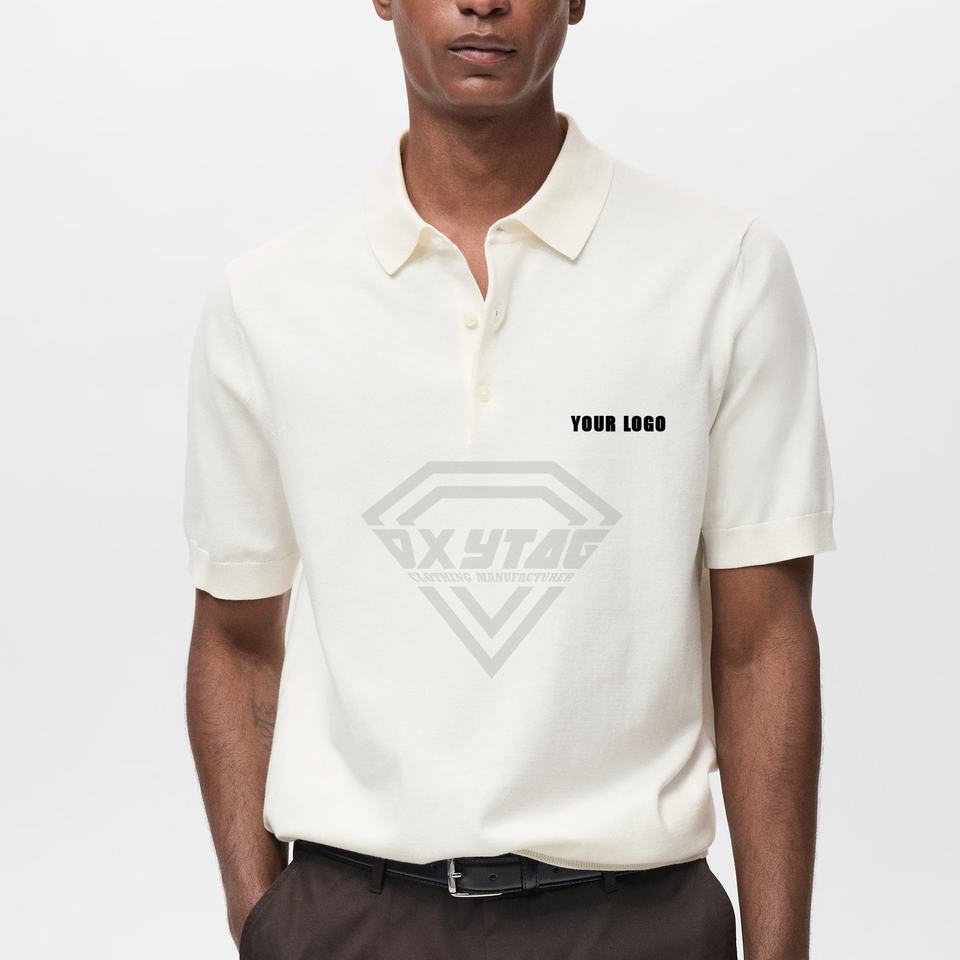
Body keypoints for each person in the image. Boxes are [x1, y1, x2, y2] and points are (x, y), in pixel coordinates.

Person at [183, 2, 836, 958]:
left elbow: (763, 641)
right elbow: (236, 640)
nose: (482, 1)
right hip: (351, 918)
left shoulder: (721, 271)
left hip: (636, 922)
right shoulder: (269, 300)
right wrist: (267, 924)